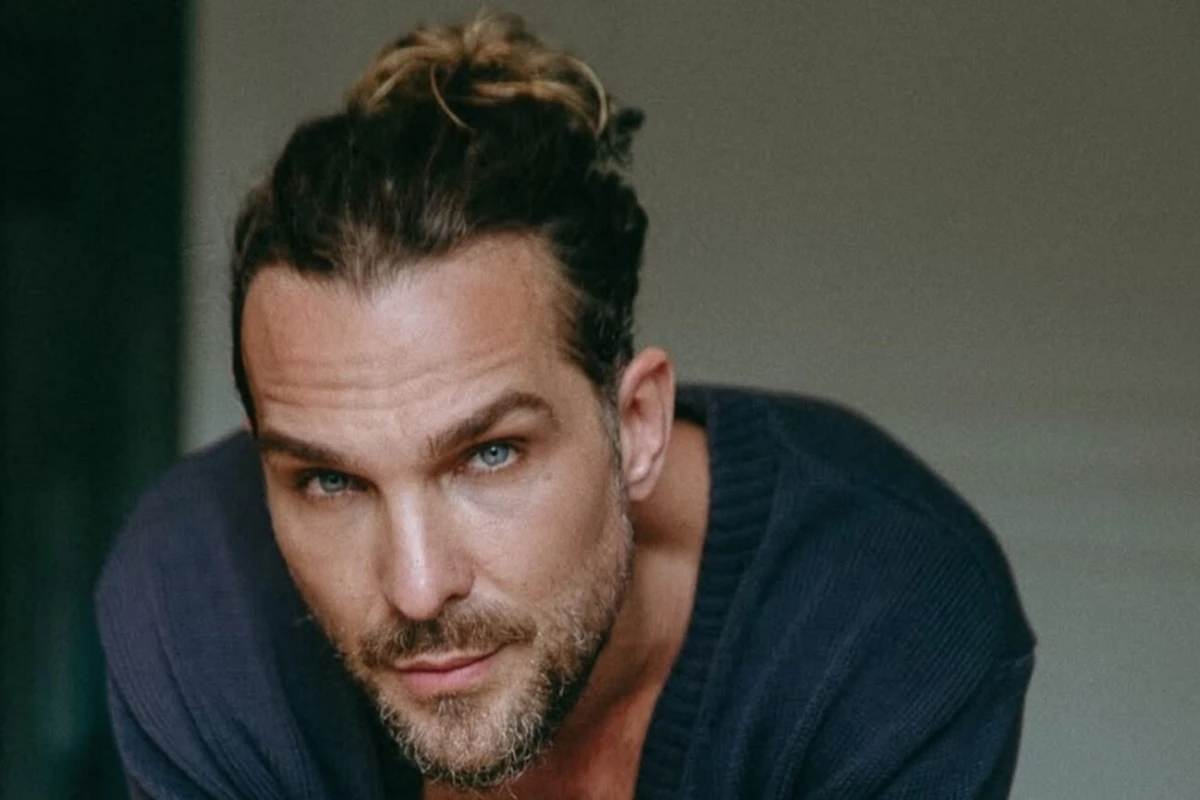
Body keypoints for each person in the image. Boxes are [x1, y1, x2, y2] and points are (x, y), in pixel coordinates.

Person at [96, 11, 1034, 799]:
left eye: (490, 454)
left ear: (637, 427)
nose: (417, 589)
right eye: (330, 480)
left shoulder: (883, 612)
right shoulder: (194, 601)